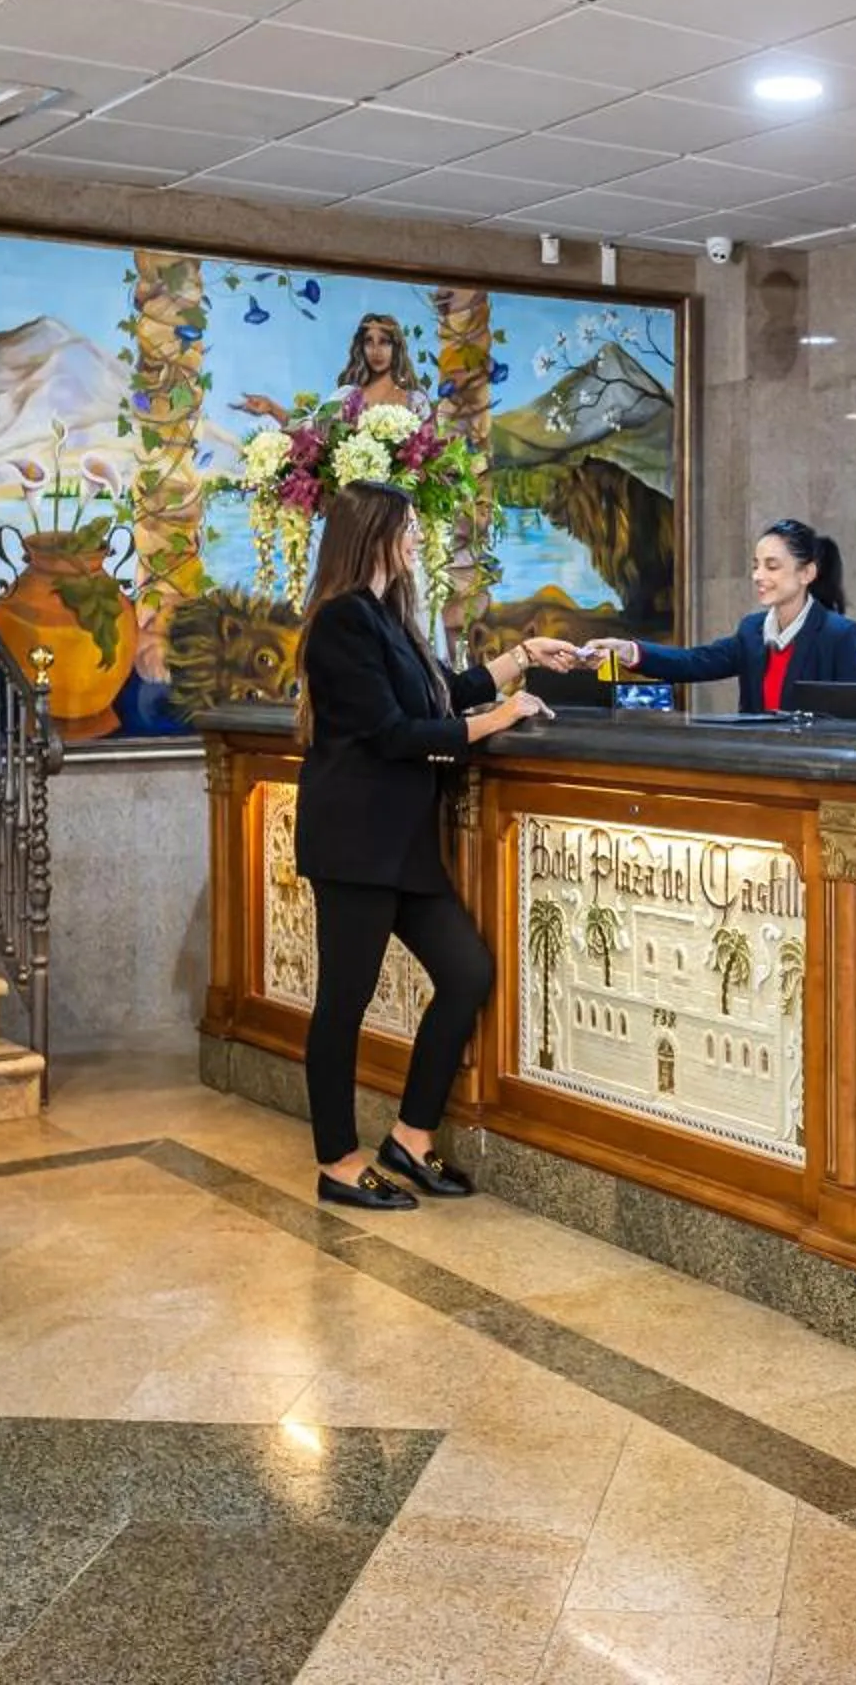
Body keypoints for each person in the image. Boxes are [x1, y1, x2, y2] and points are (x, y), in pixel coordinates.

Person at [294, 480, 581, 1209]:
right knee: (343, 1004)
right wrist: (502, 718)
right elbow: (394, 735)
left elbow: (440, 694)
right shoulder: (339, 622)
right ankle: (337, 1162)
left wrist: (520, 659)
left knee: (466, 972)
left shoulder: (388, 617)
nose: (419, 537)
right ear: (376, 533)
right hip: (356, 842)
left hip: (402, 843)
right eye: (410, 525)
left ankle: (411, 1137)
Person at [586, 518, 856, 712]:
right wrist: (631, 651)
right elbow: (696, 661)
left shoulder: (839, 635)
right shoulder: (752, 631)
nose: (758, 576)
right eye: (755, 566)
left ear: (806, 573)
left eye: (771, 566)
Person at [234, 312, 420, 424]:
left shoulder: (416, 402)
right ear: (361, 349)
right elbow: (310, 430)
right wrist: (271, 408)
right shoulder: (347, 397)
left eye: (384, 342)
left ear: (396, 348)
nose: (376, 351)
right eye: (369, 343)